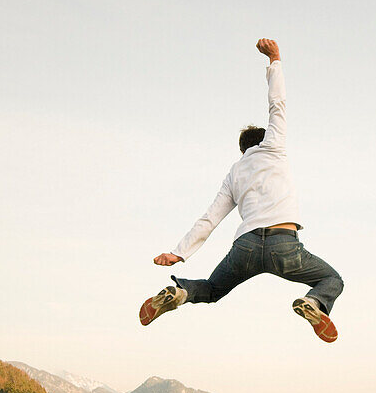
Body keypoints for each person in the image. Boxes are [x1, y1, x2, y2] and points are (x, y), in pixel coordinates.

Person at [139, 39, 343, 342]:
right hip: (284, 246)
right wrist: (274, 60)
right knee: (331, 279)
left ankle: (181, 293)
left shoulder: (234, 173)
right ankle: (315, 302)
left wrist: (178, 253)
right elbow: (278, 105)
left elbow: (210, 218)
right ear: (262, 141)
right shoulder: (274, 147)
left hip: (244, 249)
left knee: (210, 290)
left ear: (241, 150)